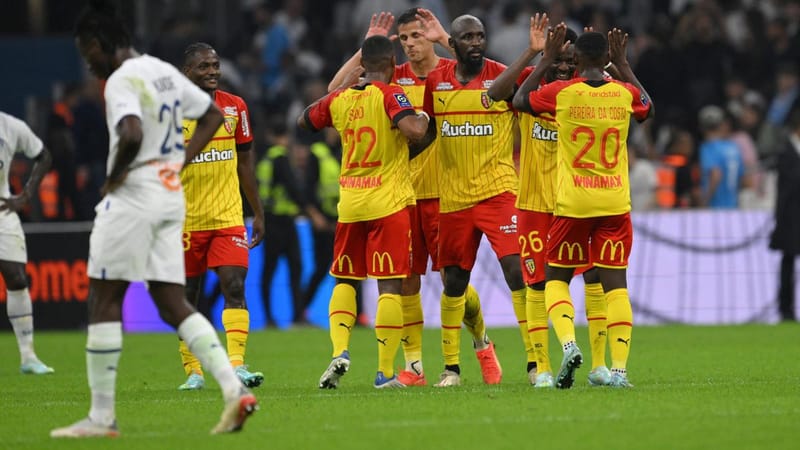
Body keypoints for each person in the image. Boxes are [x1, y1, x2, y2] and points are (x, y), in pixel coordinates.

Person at [52, 0, 256, 437]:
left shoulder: (122, 80)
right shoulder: (161, 73)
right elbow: (213, 115)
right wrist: (176, 160)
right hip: (171, 201)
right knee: (174, 301)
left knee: (103, 299)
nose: (87, 62)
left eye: (86, 52)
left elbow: (129, 132)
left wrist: (116, 175)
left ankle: (101, 417)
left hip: (134, 198)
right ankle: (233, 389)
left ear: (97, 43)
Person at [327, 8, 470, 387]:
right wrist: (364, 49)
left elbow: (482, 74)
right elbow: (335, 92)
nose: (409, 43)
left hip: (447, 191)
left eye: (417, 36)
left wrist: (447, 41)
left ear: (431, 37)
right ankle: (415, 366)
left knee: (455, 281)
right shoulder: (395, 80)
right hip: (402, 195)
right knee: (405, 282)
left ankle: (482, 344)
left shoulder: (447, 74)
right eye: (403, 38)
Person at [514, 25, 653, 388]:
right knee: (615, 286)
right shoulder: (624, 92)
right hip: (614, 201)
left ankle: (569, 344)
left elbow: (519, 101)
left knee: (556, 279)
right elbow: (647, 107)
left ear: (574, 60)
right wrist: (623, 65)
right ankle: (619, 369)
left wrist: (546, 60)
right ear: (606, 59)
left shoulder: (563, 92)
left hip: (573, 203)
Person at [298, 34, 435, 389]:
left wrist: (341, 90)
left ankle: (339, 352)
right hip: (387, 203)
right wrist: (423, 116)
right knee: (389, 285)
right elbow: (415, 130)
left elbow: (304, 121)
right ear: (392, 65)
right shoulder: (391, 94)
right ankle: (385, 372)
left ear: (362, 66)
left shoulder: (341, 99)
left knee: (345, 279)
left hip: (350, 205)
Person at [487, 14, 612, 387]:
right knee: (536, 285)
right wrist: (537, 54)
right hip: (535, 205)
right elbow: (495, 93)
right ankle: (541, 368)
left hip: (577, 203)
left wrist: (597, 59)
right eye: (557, 60)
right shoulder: (532, 91)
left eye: (568, 61)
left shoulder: (586, 93)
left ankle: (599, 365)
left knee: (594, 278)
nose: (561, 66)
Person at [422, 14, 531, 387]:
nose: (476, 42)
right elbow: (429, 131)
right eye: (467, 36)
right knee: (453, 281)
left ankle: (535, 363)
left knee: (517, 271)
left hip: (498, 192)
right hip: (453, 198)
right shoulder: (436, 82)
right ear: (452, 44)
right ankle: (451, 368)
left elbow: (530, 106)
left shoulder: (503, 76)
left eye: (480, 35)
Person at [175, 42, 265, 391]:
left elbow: (245, 162)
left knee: (235, 286)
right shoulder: (170, 110)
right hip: (184, 221)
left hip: (228, 217)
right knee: (188, 296)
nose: (212, 71)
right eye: (203, 67)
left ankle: (237, 366)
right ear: (187, 72)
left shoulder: (234, 107)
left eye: (215, 65)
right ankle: (194, 371)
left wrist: (257, 212)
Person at [0, 111, 54, 375]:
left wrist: (26, 195)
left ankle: (28, 357)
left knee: (17, 278)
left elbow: (44, 156)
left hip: (3, 210)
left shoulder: (10, 126)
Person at [256, 122, 306, 326]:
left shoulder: (265, 158)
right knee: (295, 267)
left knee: (269, 270)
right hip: (283, 220)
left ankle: (268, 317)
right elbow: (292, 187)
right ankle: (298, 316)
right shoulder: (282, 158)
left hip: (269, 219)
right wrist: (308, 208)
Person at [769, 108, 800, 321]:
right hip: (791, 216)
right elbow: (787, 187)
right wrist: (779, 219)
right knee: (788, 262)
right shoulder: (785, 151)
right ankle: (785, 309)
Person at [697, 105, 747, 208]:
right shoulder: (733, 147)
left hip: (715, 207)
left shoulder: (708, 148)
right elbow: (743, 178)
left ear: (702, 127)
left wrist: (705, 200)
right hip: (733, 206)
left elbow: (715, 175)